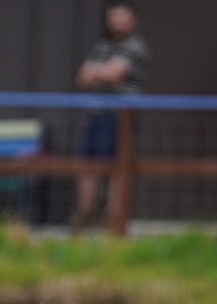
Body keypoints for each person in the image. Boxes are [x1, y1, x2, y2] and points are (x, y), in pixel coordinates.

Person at [70, 2, 150, 233]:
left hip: (120, 118)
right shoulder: (104, 45)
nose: (117, 22)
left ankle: (114, 220)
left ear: (133, 20)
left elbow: (114, 74)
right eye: (113, 17)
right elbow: (83, 77)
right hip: (97, 115)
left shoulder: (136, 46)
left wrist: (98, 72)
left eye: (122, 17)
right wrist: (101, 73)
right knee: (88, 165)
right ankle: (85, 216)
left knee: (118, 169)